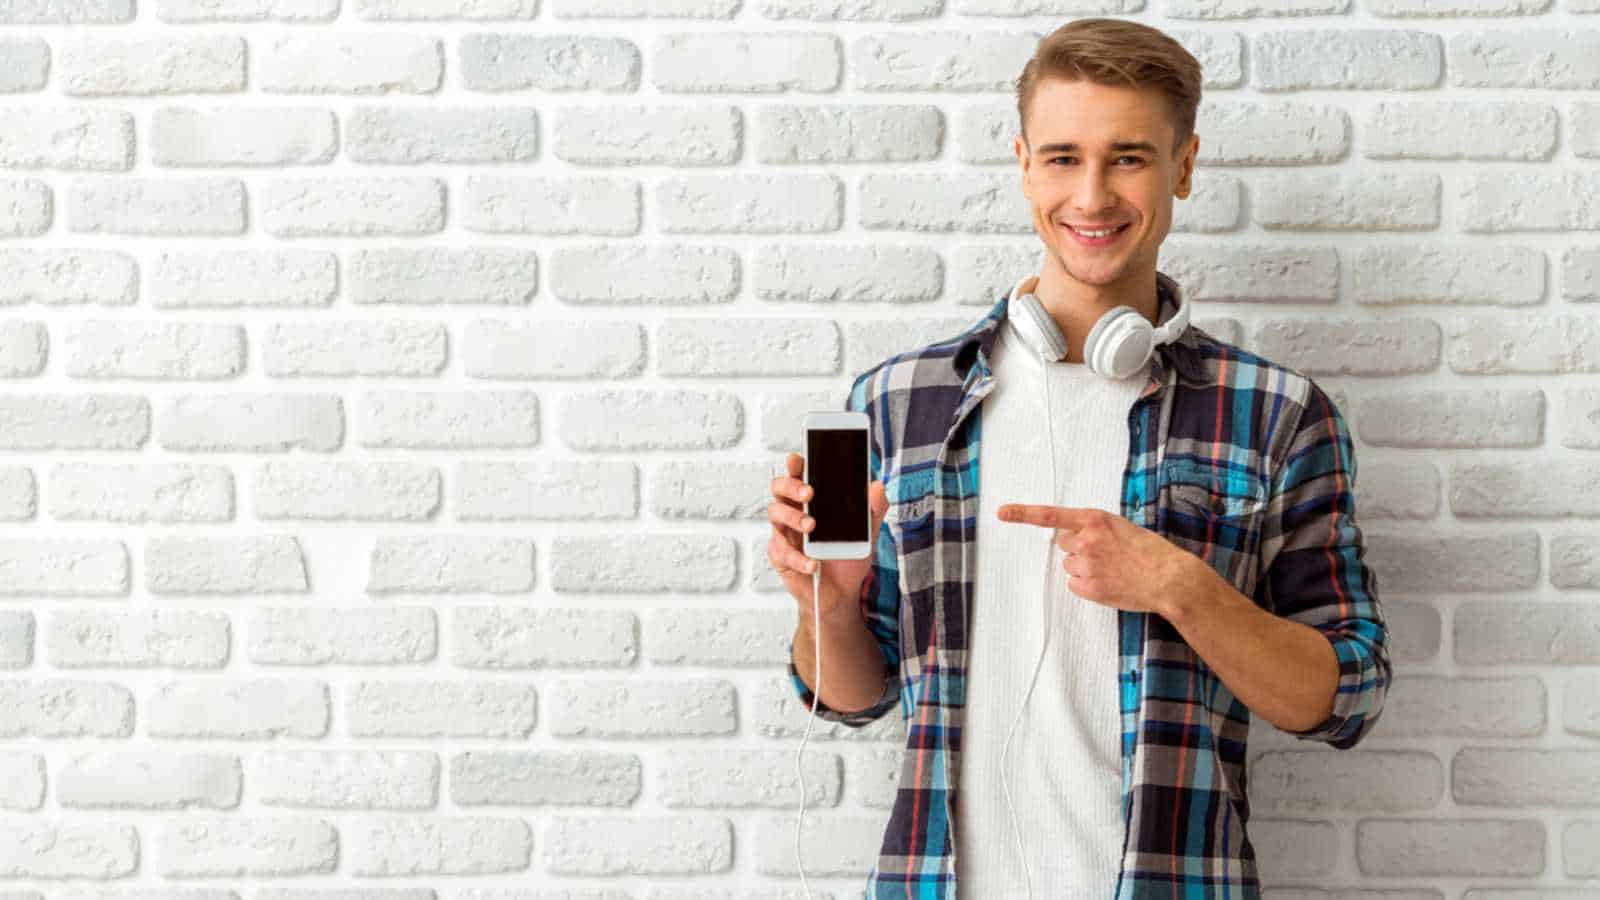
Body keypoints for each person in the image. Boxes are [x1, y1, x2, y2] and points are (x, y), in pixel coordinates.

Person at [769, 16, 1390, 900]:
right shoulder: (897, 404)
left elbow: (1342, 698)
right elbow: (852, 696)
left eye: (1129, 157)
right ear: (1023, 163)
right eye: (1063, 157)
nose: (1091, 196)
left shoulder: (1275, 414)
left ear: (1183, 165)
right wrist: (826, 606)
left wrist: (1181, 586)